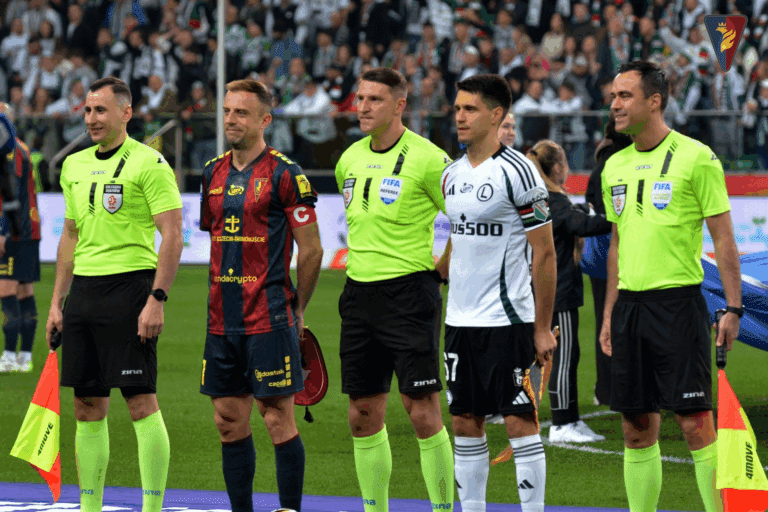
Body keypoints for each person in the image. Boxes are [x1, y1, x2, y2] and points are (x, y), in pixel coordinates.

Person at [600, 60, 742, 512]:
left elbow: (723, 237)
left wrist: (733, 309)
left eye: (624, 96)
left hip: (678, 305)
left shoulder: (697, 157)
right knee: (635, 427)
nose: (614, 104)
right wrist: (608, 312)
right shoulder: (613, 166)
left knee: (697, 423)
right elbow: (617, 245)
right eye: (613, 96)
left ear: (654, 100)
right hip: (629, 311)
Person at [44, 77, 183, 512]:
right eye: (87, 111)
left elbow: (173, 234)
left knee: (140, 401)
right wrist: (56, 302)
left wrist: (156, 298)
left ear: (126, 113)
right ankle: (89, 507)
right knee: (86, 405)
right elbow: (69, 235)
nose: (91, 119)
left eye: (100, 110)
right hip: (85, 291)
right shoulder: (75, 165)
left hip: (131, 289)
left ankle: (153, 507)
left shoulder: (150, 163)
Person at [199, 78, 324, 512]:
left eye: (242, 113)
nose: (232, 120)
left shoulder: (287, 173)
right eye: (228, 111)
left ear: (265, 120)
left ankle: (289, 509)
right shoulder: (211, 172)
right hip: (221, 319)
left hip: (270, 317)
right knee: (228, 422)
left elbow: (312, 249)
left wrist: (298, 308)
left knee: (276, 418)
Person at [335, 67, 454, 512]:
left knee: (421, 410)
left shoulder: (428, 158)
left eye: (374, 100)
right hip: (358, 295)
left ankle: (443, 508)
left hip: (409, 295)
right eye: (360, 98)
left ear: (400, 105)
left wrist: (444, 263)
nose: (362, 107)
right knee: (362, 414)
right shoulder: (348, 158)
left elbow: (464, 215)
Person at [439, 74, 557, 512]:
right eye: (456, 109)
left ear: (496, 115)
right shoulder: (450, 175)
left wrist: (541, 328)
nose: (460, 117)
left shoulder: (519, 171)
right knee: (464, 421)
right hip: (459, 323)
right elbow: (459, 236)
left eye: (469, 109)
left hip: (508, 322)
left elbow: (544, 254)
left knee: (518, 420)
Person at [525, 139, 610, 443]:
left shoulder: (539, 199)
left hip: (546, 289)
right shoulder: (555, 201)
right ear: (558, 167)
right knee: (564, 356)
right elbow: (583, 225)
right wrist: (619, 217)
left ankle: (569, 419)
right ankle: (562, 422)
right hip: (559, 291)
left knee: (563, 355)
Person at [582, 114, 632, 407]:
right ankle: (617, 388)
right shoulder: (620, 163)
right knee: (618, 320)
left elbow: (593, 203)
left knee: (606, 318)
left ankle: (606, 388)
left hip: (600, 253)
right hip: (617, 251)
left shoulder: (602, 163)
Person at [0, 103, 40, 373]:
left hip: (16, 231)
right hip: (30, 229)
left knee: (6, 291)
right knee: (25, 292)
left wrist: (3, 231)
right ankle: (24, 356)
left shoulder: (12, 152)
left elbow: (10, 192)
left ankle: (7, 355)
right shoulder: (23, 149)